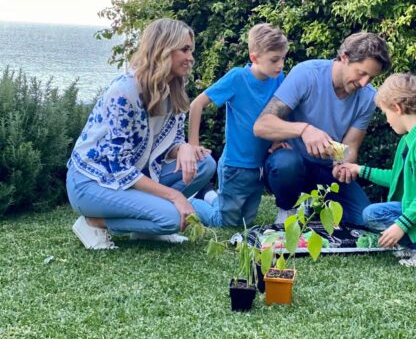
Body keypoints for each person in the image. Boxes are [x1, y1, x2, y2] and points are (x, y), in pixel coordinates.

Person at [66, 18, 216, 250]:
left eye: (191, 50)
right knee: (172, 218)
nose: (191, 57)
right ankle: (93, 221)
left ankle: (148, 224)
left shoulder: (173, 89)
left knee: (204, 163)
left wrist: (184, 147)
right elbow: (119, 169)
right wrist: (175, 197)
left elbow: (170, 142)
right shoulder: (124, 93)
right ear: (163, 50)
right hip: (92, 182)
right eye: (184, 50)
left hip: (135, 174)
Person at [253, 32, 391, 225]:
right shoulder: (307, 74)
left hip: (326, 172)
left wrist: (343, 164)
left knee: (363, 219)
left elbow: (350, 147)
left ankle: (313, 205)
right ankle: (287, 210)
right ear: (345, 57)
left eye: (371, 77)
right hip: (289, 163)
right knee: (286, 165)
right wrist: (305, 130)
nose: (364, 83)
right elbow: (261, 125)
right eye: (361, 73)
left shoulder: (368, 97)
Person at [337, 73, 416, 266]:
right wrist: (360, 169)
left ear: (397, 108)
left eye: (386, 113)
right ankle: (415, 244)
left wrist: (401, 226)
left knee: (372, 215)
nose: (387, 120)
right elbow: (395, 178)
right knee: (371, 214)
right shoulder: (410, 138)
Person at [188, 23, 289, 226]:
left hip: (259, 166)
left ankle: (209, 195)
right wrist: (193, 143)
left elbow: (281, 113)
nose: (281, 65)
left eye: (283, 58)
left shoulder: (279, 79)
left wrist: (278, 139)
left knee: (245, 222)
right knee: (224, 222)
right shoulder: (237, 77)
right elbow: (197, 104)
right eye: (274, 60)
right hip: (235, 165)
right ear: (254, 58)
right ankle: (189, 201)